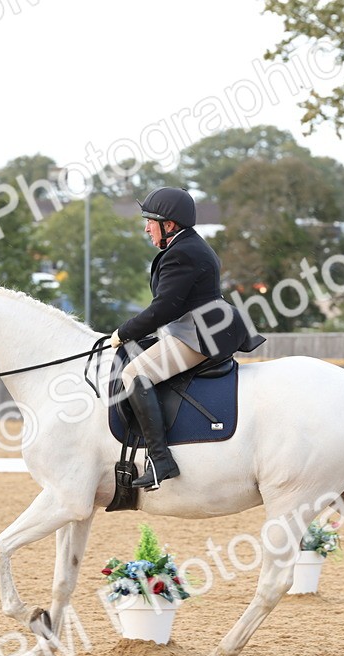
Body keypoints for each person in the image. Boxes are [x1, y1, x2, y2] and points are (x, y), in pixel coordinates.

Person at [110, 187, 265, 491]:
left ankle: (161, 460)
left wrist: (124, 332)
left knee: (134, 373)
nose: (146, 228)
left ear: (169, 225)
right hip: (203, 326)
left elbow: (164, 308)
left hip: (199, 333)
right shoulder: (188, 246)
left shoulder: (182, 253)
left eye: (150, 222)